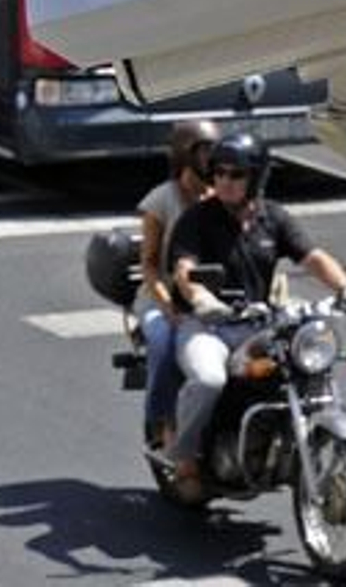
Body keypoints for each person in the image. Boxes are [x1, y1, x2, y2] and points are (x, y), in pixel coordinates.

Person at [163, 132, 346, 491]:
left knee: (307, 368)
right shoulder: (197, 218)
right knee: (210, 380)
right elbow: (184, 268)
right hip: (207, 325)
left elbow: (313, 256)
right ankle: (184, 458)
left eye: (237, 174)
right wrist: (201, 299)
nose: (226, 181)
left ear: (256, 177)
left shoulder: (273, 218)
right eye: (220, 173)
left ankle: (285, 445)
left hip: (260, 321)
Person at [134, 119, 219, 451]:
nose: (212, 162)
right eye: (205, 153)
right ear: (186, 156)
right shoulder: (161, 200)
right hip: (160, 297)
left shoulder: (220, 197)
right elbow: (150, 264)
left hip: (207, 296)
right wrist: (167, 306)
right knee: (163, 341)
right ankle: (158, 417)